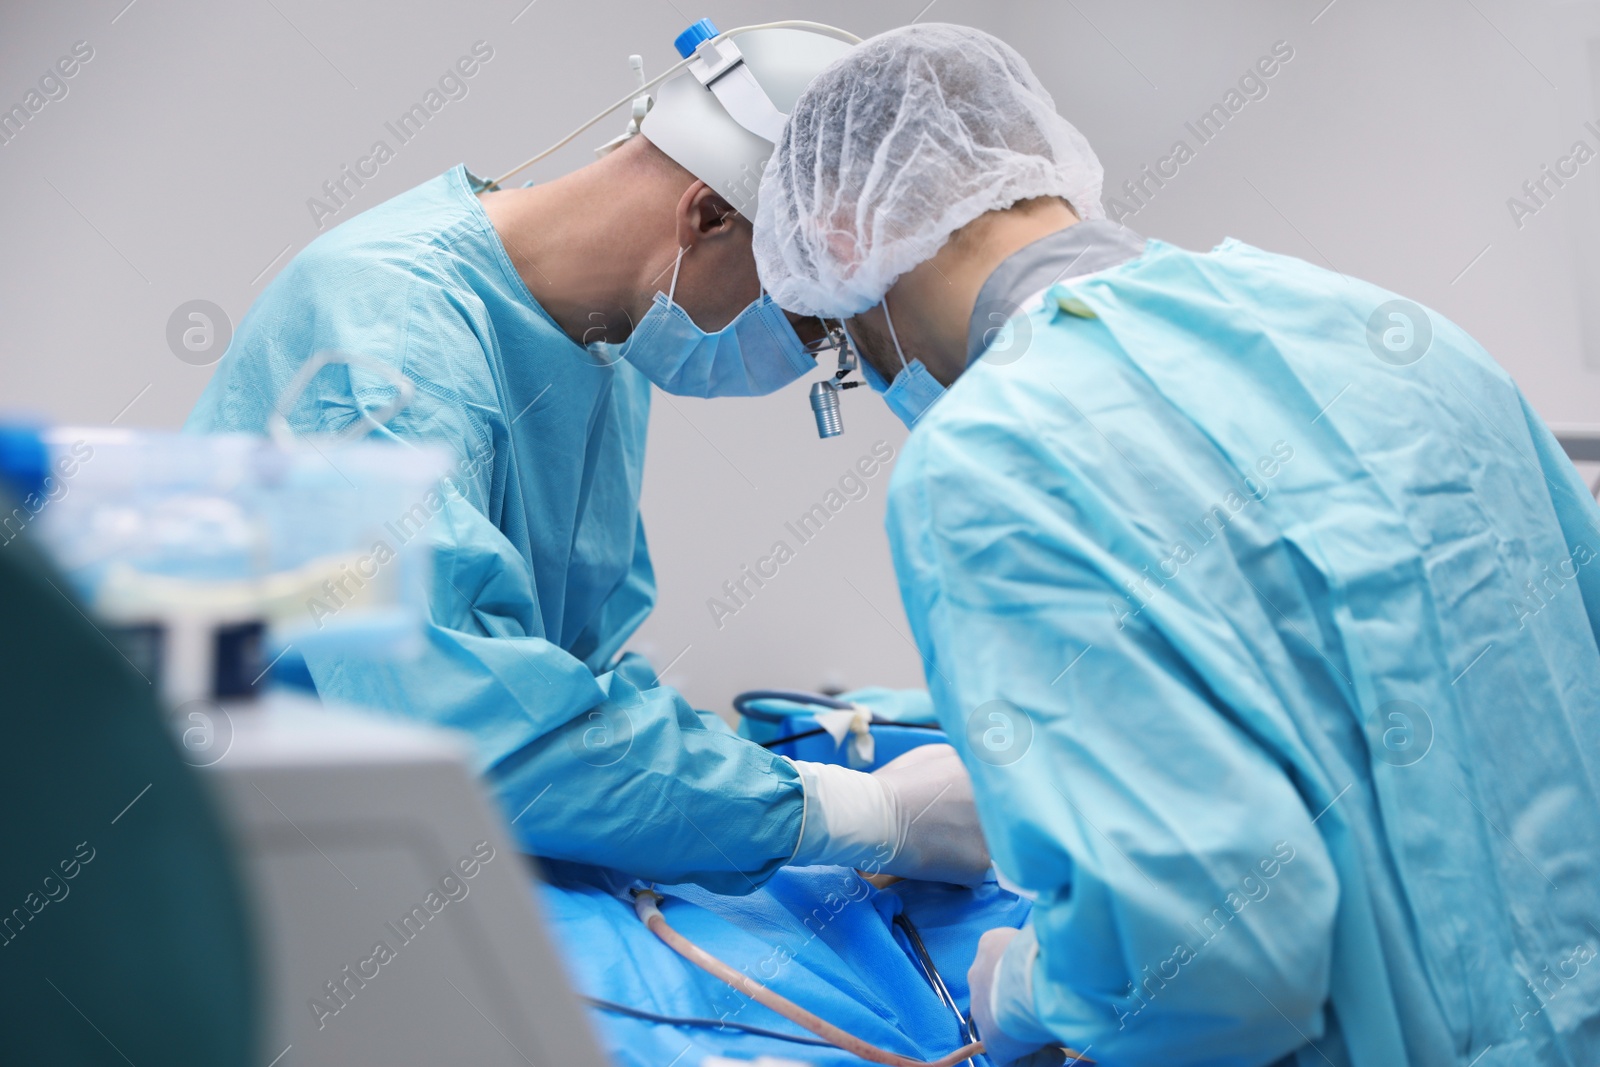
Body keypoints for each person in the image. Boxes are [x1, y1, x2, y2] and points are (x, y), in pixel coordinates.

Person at [755, 22, 1600, 1066]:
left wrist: (1027, 986)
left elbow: (1212, 963)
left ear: (841, 239)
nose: (871, 368)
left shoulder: (989, 458)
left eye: (842, 346)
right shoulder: (1390, 329)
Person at [186, 22, 988, 894]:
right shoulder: (387, 337)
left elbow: (569, 676)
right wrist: (851, 814)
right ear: (711, 214)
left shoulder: (603, 350)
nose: (803, 356)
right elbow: (462, 728)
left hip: (430, 837)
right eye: (809, 321)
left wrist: (729, 775)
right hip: (241, 857)